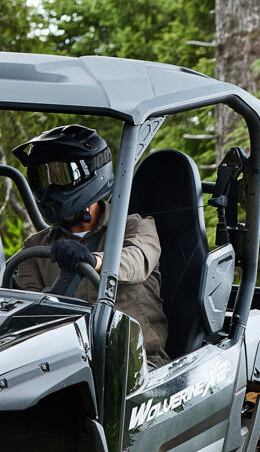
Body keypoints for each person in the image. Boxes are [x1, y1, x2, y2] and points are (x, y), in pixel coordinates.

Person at [9, 125, 169, 366]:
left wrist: (94, 261)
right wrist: (59, 287)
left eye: (60, 176)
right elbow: (30, 314)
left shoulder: (136, 227)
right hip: (64, 363)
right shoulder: (35, 248)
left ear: (91, 175)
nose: (49, 188)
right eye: (42, 178)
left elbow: (136, 260)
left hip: (138, 364)